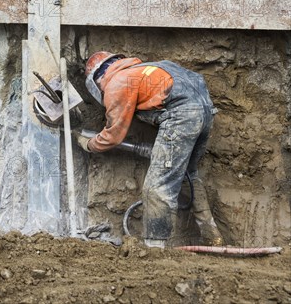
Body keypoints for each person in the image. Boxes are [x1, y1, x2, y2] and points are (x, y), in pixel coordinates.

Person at [76, 51, 223, 248]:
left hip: (181, 116)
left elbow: (113, 135)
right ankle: (212, 236)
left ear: (96, 80)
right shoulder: (148, 68)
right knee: (189, 175)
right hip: (205, 112)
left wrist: (89, 144)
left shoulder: (117, 82)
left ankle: (155, 249)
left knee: (157, 187)